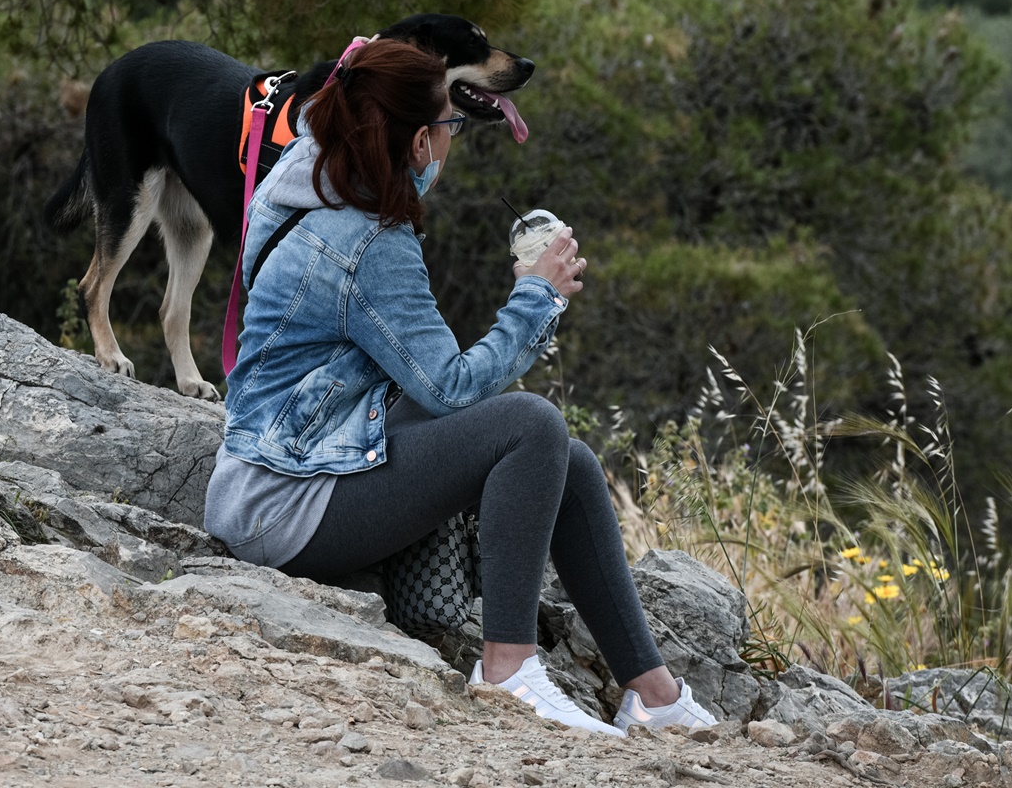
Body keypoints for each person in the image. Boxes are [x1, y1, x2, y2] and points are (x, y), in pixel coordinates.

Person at [204, 38, 718, 736]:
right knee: (530, 424)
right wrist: (536, 298)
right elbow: (450, 390)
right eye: (449, 127)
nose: (451, 142)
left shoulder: (305, 171)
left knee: (565, 460)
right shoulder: (367, 242)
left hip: (289, 454)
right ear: (418, 141)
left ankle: (654, 694)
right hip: (284, 504)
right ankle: (507, 669)